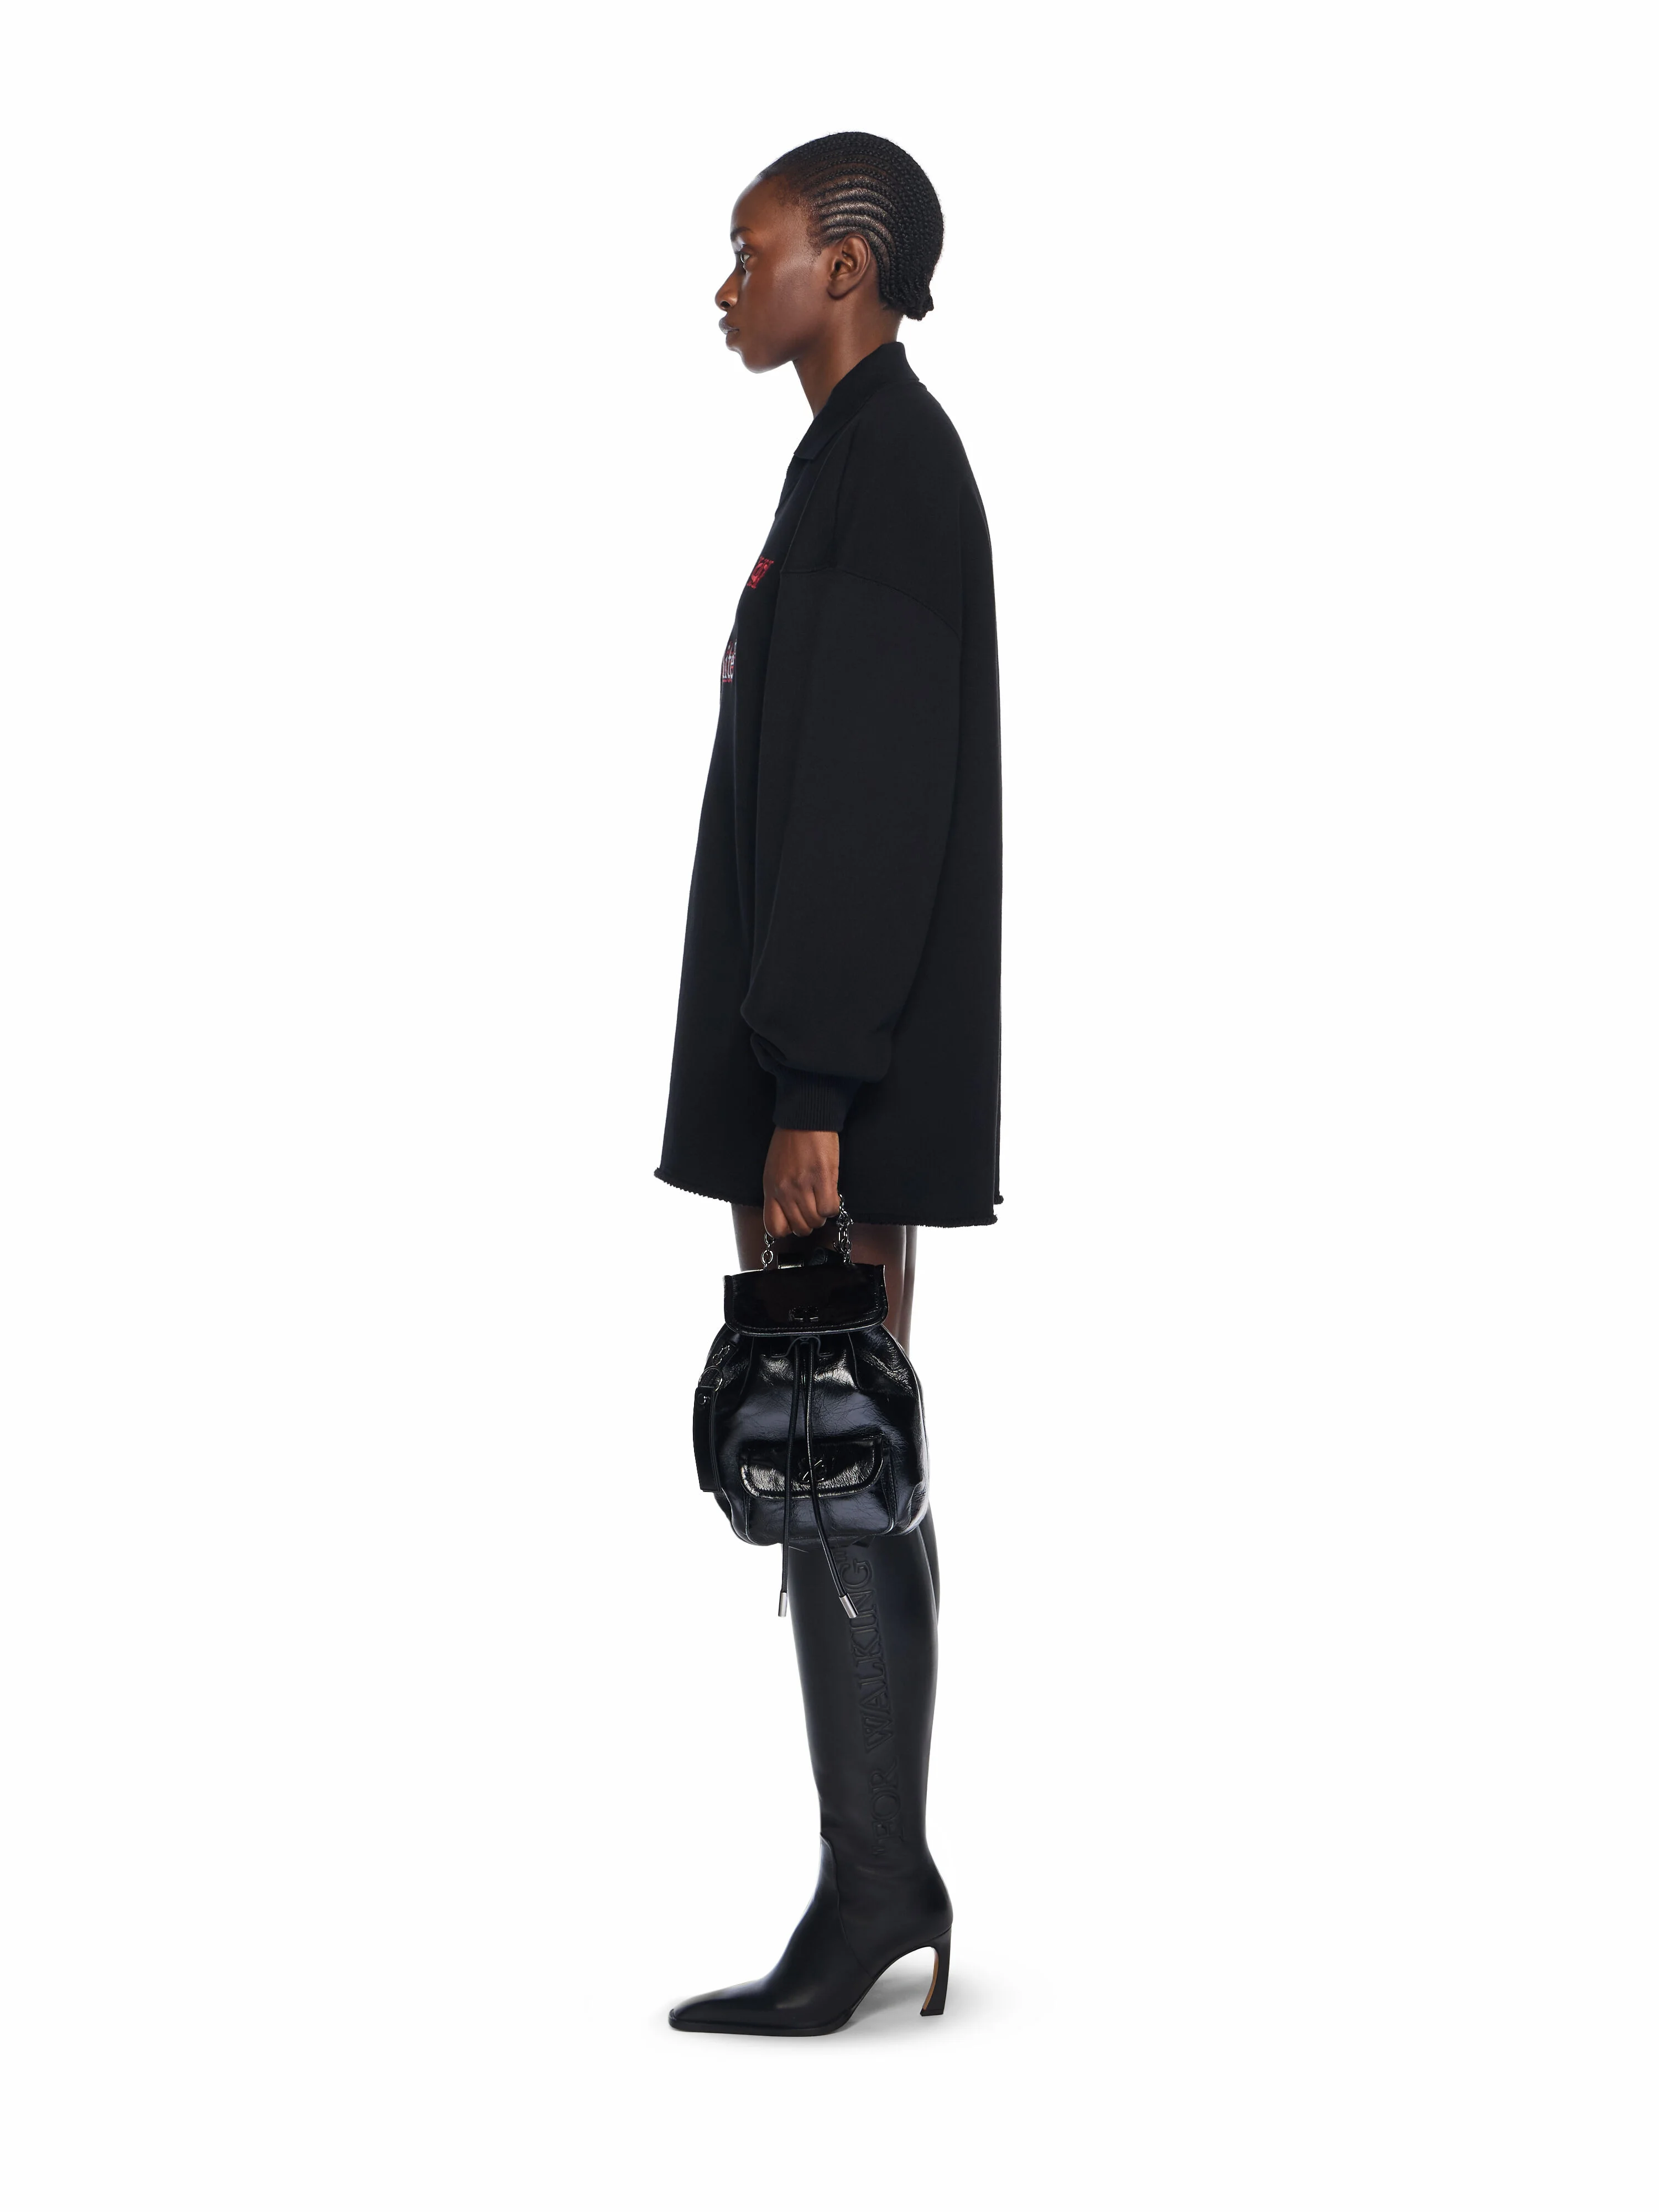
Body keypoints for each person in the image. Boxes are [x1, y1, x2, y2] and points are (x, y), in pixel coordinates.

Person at [656, 131, 1001, 2034]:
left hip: (835, 1079)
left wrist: (814, 1087)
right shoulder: (847, 462)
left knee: (837, 1433)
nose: (730, 285)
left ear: (846, 264)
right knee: (829, 1432)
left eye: (754, 248)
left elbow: (873, 798)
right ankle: (878, 1872)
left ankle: (875, 1881)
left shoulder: (892, 468)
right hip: (820, 1060)